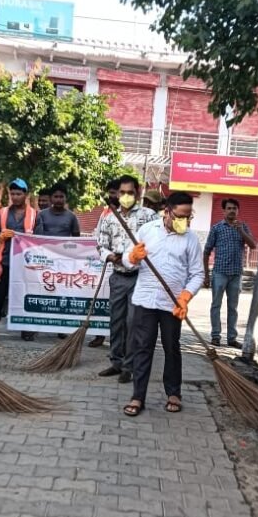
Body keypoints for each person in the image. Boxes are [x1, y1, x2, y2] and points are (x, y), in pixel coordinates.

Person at [121, 192, 203, 417]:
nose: (184, 222)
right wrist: (133, 258)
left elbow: (197, 274)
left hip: (173, 304)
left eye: (188, 217)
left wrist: (185, 296)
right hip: (145, 301)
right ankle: (138, 396)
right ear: (167, 212)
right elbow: (127, 260)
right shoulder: (147, 230)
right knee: (142, 348)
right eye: (180, 216)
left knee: (172, 348)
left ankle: (173, 393)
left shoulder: (191, 239)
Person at [95, 175, 157, 382]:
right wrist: (111, 256)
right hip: (118, 276)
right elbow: (101, 245)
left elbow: (158, 244)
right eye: (122, 193)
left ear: (138, 193)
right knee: (117, 321)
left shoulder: (150, 216)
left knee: (133, 322)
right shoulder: (109, 217)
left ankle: (129, 367)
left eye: (130, 192)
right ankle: (116, 362)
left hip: (141, 277)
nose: (126, 196)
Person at [0, 178, 37, 336]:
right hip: (5, 260)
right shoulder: (3, 213)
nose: (15, 197)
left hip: (25, 262)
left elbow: (40, 236)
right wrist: (0, 235)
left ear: (25, 195)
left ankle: (25, 328)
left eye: (18, 194)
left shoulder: (34, 215)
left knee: (23, 294)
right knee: (0, 293)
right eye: (12, 194)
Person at [202, 198, 257, 348]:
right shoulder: (217, 228)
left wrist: (241, 231)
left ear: (238, 211)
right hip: (219, 272)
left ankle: (232, 338)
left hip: (236, 274)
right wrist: (206, 275)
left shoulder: (243, 226)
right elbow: (206, 252)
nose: (232, 211)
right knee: (216, 305)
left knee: (233, 307)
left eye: (234, 208)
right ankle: (215, 336)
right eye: (229, 208)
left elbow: (252, 245)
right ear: (224, 211)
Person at [85, 179, 125, 349]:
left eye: (115, 192)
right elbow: (99, 236)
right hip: (107, 262)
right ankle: (100, 334)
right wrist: (104, 253)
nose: (112, 196)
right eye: (110, 193)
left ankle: (121, 341)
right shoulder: (105, 213)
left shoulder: (132, 214)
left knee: (120, 306)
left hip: (125, 265)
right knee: (103, 298)